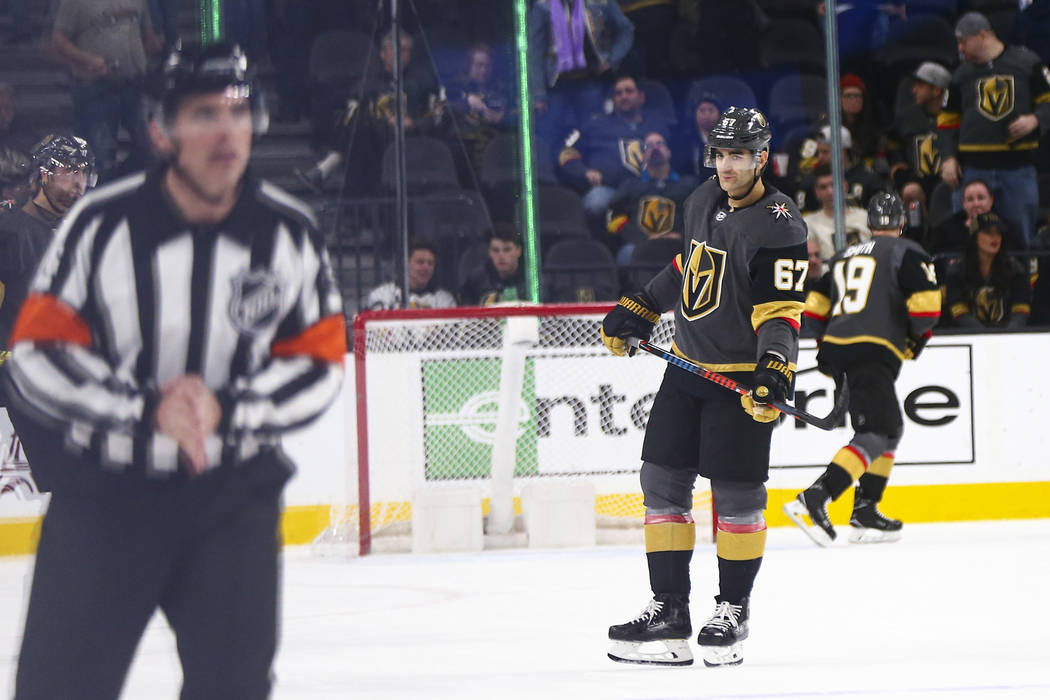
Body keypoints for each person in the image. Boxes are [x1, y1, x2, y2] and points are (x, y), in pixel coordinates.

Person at [3, 43, 346, 699]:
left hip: (231, 502)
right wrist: (141, 410)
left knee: (232, 687)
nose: (226, 131)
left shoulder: (287, 233)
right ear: (161, 129)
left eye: (239, 113)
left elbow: (320, 360)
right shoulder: (99, 228)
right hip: (102, 497)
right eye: (204, 114)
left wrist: (228, 408)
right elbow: (37, 352)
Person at [602, 107, 808, 667]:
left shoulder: (781, 223)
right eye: (721, 154)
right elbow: (685, 265)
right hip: (687, 371)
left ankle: (733, 611)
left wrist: (774, 370)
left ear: (762, 157)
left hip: (739, 381)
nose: (728, 165)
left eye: (739, 155)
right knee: (661, 482)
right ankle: (670, 613)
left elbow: (782, 313)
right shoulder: (700, 200)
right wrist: (642, 305)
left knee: (738, 497)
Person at [785, 192, 940, 546]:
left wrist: (828, 348)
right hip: (872, 351)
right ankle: (816, 497)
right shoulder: (908, 252)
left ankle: (866, 508)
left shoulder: (841, 257)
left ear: (869, 225)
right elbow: (926, 311)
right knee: (874, 433)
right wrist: (913, 340)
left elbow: (813, 309)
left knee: (890, 429)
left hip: (843, 352)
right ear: (901, 223)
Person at [0, 134, 95, 494]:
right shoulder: (9, 231)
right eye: (69, 171)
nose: (78, 183)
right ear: (43, 175)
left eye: (83, 172)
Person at [938, 11, 1050, 249]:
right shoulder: (961, 75)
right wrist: (947, 158)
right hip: (973, 170)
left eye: (963, 41)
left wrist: (1035, 120)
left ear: (982, 35)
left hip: (1018, 167)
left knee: (1021, 239)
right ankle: (967, 284)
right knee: (967, 237)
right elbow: (947, 121)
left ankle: (1021, 285)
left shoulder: (1027, 62)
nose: (960, 48)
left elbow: (1048, 101)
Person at [50, 0, 162, 181]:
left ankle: (125, 188)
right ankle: (102, 202)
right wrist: (86, 59)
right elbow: (58, 40)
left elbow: (146, 34)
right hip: (95, 88)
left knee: (150, 147)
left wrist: (152, 47)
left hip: (134, 85)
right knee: (101, 158)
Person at [558, 74, 671, 220]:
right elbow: (565, 151)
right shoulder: (596, 125)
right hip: (611, 189)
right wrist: (584, 171)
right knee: (595, 203)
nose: (623, 96)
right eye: (618, 93)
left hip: (652, 188)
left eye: (629, 91)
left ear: (641, 97)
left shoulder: (658, 124)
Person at [528, 0, 634, 146]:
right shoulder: (543, 5)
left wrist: (612, 59)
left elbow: (626, 29)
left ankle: (594, 167)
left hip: (590, 81)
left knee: (594, 134)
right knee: (552, 136)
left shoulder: (600, 2)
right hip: (557, 84)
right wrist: (539, 94)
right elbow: (535, 52)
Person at [606, 130, 698, 265]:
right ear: (643, 156)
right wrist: (643, 238)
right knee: (626, 254)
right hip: (640, 244)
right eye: (648, 146)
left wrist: (681, 236)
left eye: (659, 144)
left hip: (680, 244)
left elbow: (700, 217)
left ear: (668, 152)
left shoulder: (688, 184)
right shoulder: (630, 185)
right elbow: (614, 218)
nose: (655, 148)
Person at [943, 212, 1030, 329]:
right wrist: (984, 335)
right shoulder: (957, 270)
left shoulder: (1015, 269)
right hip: (969, 336)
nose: (995, 237)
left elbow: (1021, 309)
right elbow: (958, 310)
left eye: (998, 232)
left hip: (1007, 336)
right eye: (988, 232)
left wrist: (1008, 334)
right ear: (975, 236)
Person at [885, 62, 952, 200]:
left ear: (936, 91)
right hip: (918, 182)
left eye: (920, 86)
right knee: (911, 191)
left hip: (950, 182)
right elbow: (892, 142)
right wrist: (897, 163)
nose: (913, 90)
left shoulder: (956, 117)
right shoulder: (906, 118)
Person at [929, 178, 1021, 254]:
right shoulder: (945, 229)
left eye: (981, 198)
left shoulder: (1007, 229)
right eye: (970, 200)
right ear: (963, 204)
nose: (976, 204)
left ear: (991, 200)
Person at [804, 162, 871, 262]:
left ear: (845, 186)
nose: (830, 191)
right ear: (816, 192)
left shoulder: (865, 217)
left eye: (833, 184)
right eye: (823, 187)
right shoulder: (808, 224)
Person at [366, 238, 457, 310]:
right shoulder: (382, 295)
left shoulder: (445, 300)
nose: (426, 268)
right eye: (420, 262)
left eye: (430, 263)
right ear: (406, 264)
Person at [460, 223, 528, 305]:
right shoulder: (475, 281)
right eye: (495, 250)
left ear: (519, 250)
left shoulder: (532, 279)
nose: (501, 256)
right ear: (489, 252)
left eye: (507, 250)